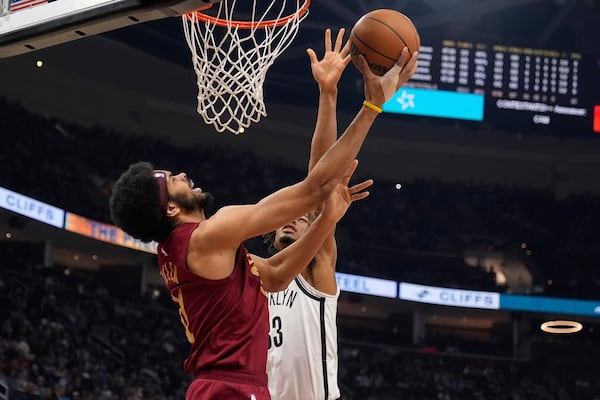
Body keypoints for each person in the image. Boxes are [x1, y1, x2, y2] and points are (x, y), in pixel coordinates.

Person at [108, 29, 418, 400]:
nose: (185, 177)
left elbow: (272, 275)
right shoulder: (211, 235)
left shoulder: (183, 251)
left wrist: (324, 220)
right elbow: (315, 188)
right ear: (171, 208)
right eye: (175, 181)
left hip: (232, 386)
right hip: (232, 387)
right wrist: (371, 106)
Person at [264, 28, 417, 400]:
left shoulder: (316, 268)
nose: (293, 219)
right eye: (289, 220)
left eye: (303, 221)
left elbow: (319, 178)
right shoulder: (258, 278)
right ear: (266, 235)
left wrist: (328, 94)